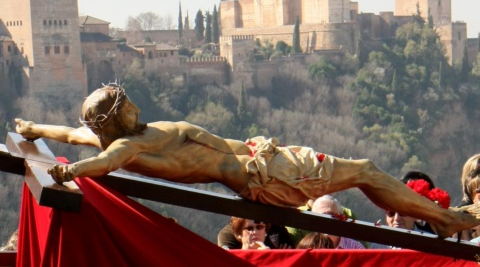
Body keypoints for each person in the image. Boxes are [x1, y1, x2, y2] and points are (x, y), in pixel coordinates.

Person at [14, 82, 480, 239]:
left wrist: (33, 129)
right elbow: (103, 162)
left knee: (363, 171)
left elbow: (71, 134)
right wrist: (72, 170)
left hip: (263, 158)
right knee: (365, 170)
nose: (134, 104)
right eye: (124, 103)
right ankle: (444, 220)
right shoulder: (128, 146)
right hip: (266, 174)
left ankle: (442, 219)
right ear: (115, 120)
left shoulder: (121, 135)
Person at [218, 217, 293, 249]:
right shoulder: (226, 235)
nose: (254, 232)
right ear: (239, 234)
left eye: (259, 227)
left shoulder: (278, 229)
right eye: (249, 228)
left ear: (266, 232)